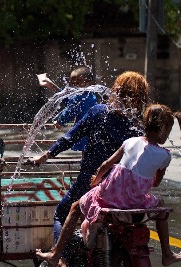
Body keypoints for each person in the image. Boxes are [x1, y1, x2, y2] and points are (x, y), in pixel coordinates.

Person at [36, 104, 181, 266]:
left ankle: (56, 255)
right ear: (164, 129)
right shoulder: (165, 156)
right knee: (161, 212)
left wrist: (96, 181)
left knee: (76, 207)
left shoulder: (130, 142)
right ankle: (167, 254)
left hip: (110, 196)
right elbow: (155, 183)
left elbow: (105, 165)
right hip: (137, 201)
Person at [29, 71, 149, 265]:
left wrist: (46, 155)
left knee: (62, 211)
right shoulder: (138, 125)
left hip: (91, 181)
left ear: (116, 90)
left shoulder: (98, 112)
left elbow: (70, 137)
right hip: (128, 191)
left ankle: (61, 259)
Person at [41, 66, 97, 152]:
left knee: (87, 158)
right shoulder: (89, 95)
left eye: (78, 82)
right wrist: (53, 87)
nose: (75, 85)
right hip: (92, 132)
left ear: (89, 83)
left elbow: (70, 111)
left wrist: (60, 121)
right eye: (72, 82)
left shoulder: (80, 97)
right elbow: (69, 101)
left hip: (84, 133)